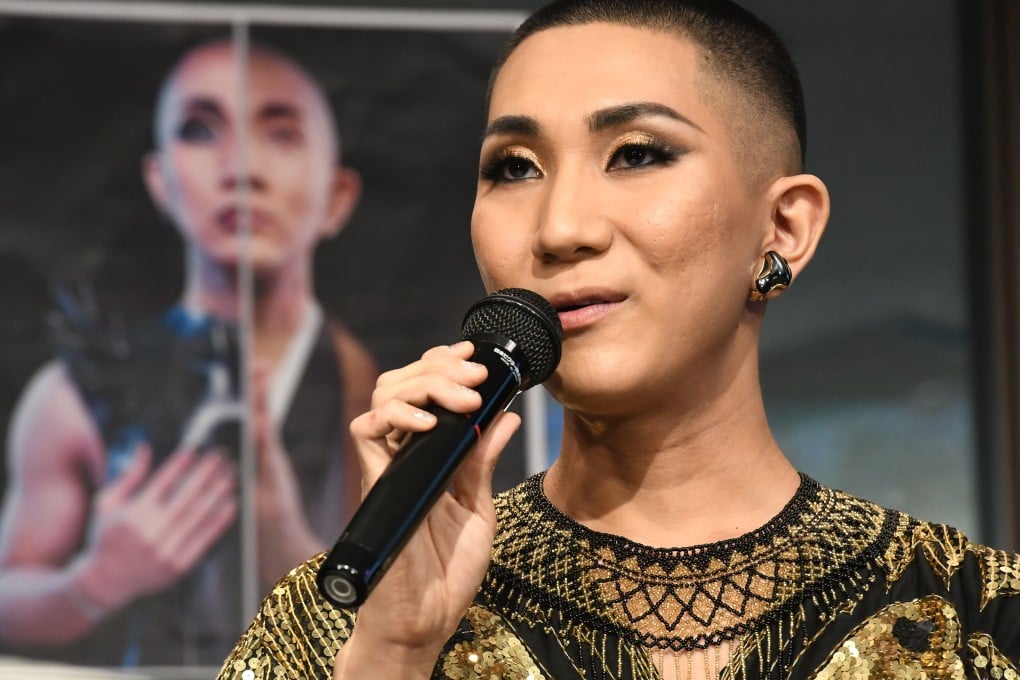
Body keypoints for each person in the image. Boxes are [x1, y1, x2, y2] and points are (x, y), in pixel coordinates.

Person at [216, 1, 1020, 678]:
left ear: (783, 226)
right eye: (515, 167)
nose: (560, 228)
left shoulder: (976, 616)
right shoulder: (339, 623)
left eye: (636, 154)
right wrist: (394, 651)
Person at [0, 38, 377, 667]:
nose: (240, 170)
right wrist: (93, 583)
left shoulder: (387, 393)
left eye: (281, 134)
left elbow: (431, 627)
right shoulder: (73, 395)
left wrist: (279, 531)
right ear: (160, 181)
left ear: (336, 196)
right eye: (200, 130)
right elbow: (9, 590)